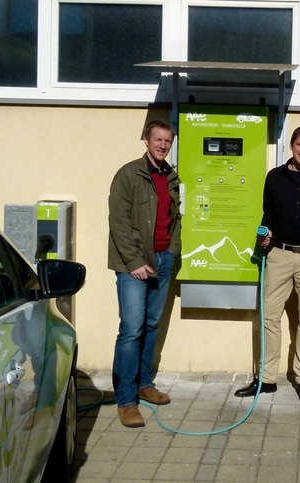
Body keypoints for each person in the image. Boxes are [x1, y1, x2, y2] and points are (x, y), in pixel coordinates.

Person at [234, 125, 300, 403]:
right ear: (292, 146)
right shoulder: (275, 177)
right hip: (278, 254)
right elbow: (268, 212)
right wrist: (266, 233)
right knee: (269, 317)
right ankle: (266, 379)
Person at [108, 119, 181, 427]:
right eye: (158, 140)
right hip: (133, 265)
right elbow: (119, 222)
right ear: (146, 141)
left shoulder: (171, 176)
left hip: (163, 260)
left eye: (167, 141)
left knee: (152, 326)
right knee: (132, 329)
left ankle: (145, 384)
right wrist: (136, 261)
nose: (163, 145)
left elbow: (175, 218)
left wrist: (173, 252)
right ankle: (126, 400)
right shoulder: (128, 174)